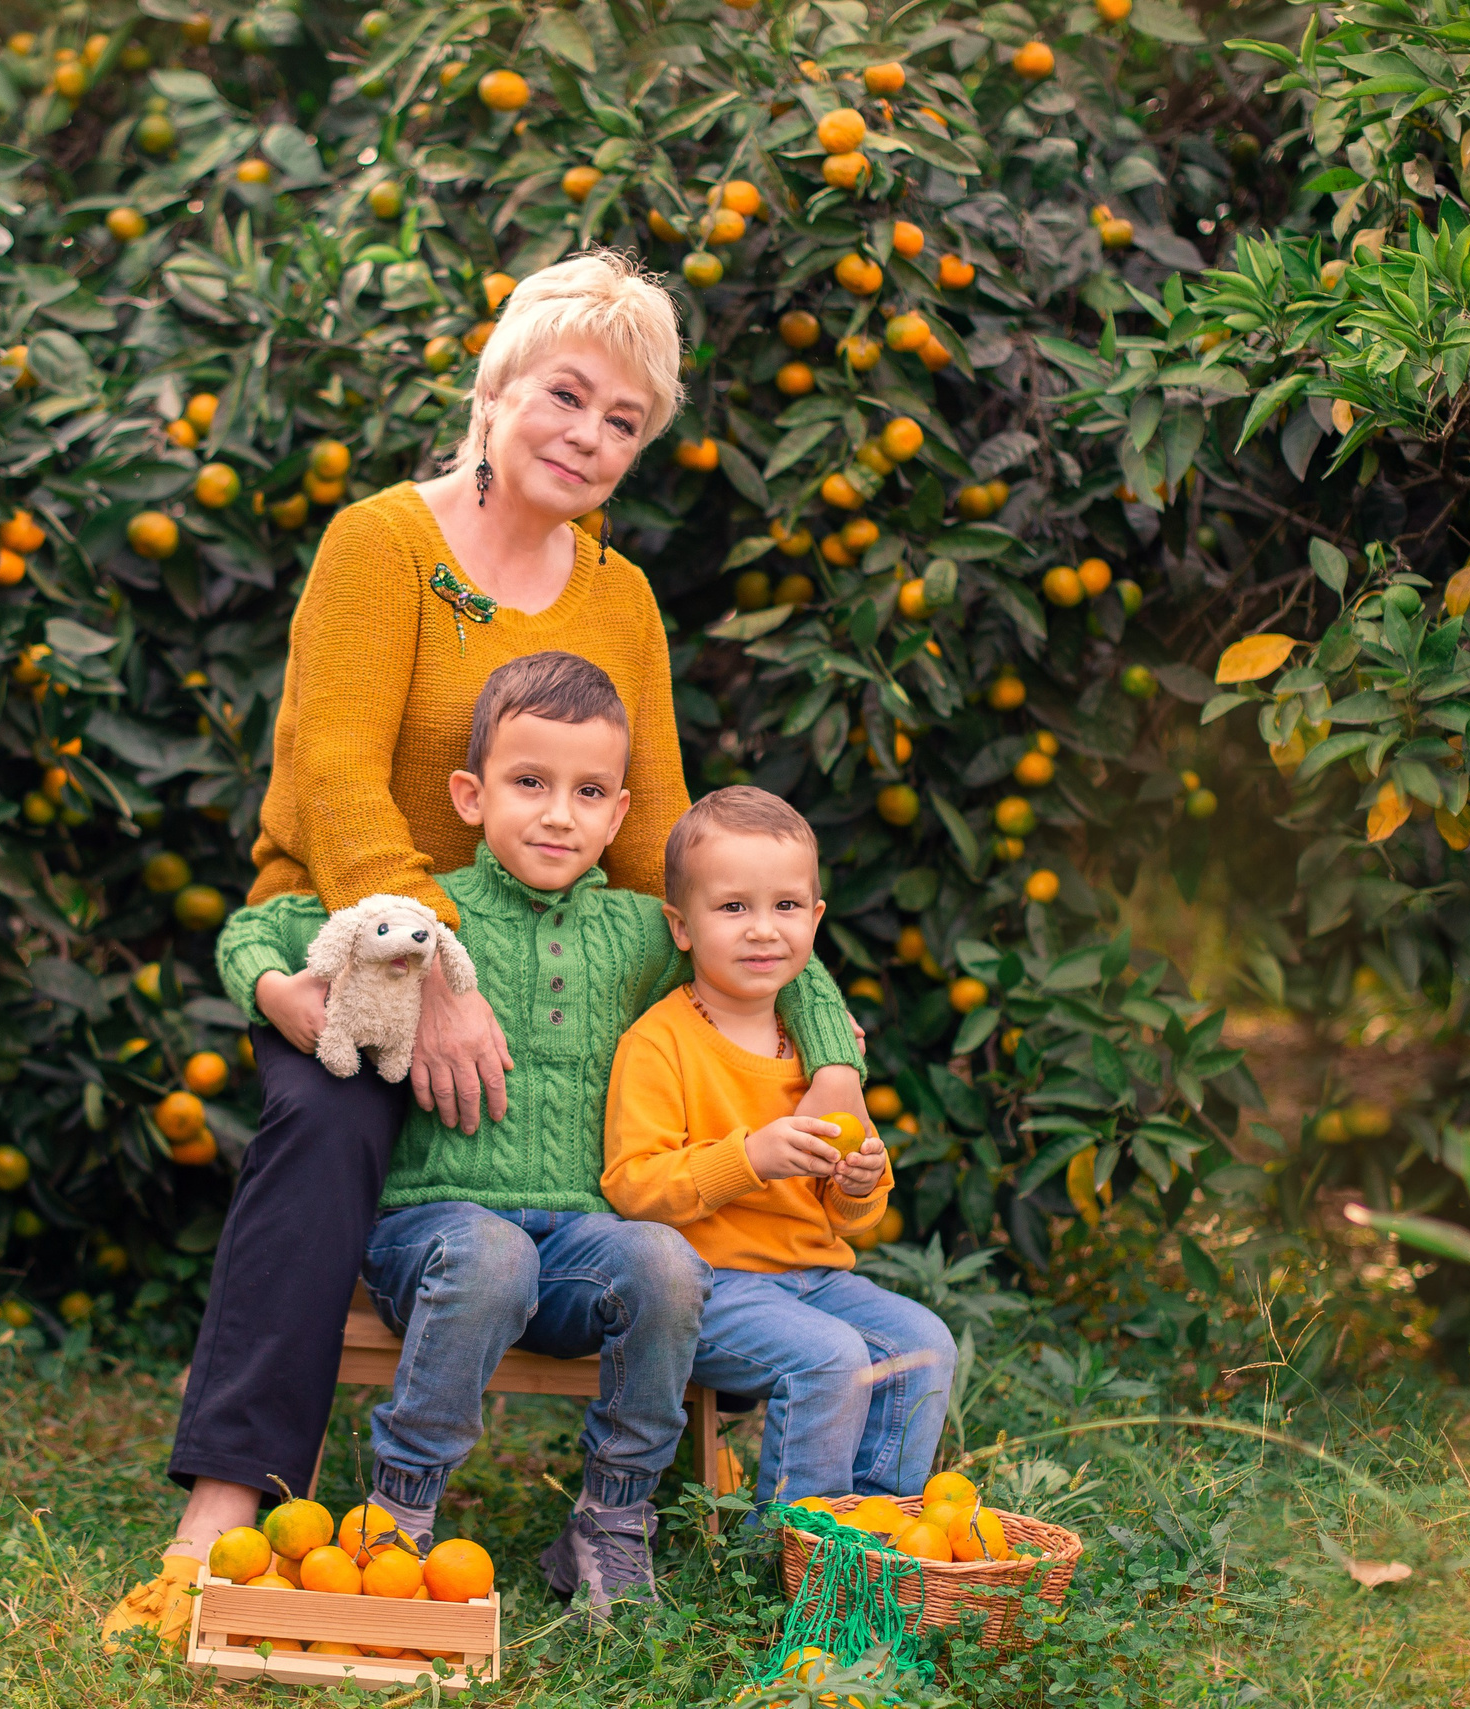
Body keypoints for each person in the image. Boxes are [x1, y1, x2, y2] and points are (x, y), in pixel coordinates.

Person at [99, 251, 873, 1647]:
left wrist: (821, 1037)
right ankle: (225, 1503)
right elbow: (334, 778)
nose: (587, 435)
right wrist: (435, 970)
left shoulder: (620, 599)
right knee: (329, 1120)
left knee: (676, 1126)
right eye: (566, 396)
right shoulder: (381, 543)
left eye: (624, 420)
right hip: (355, 943)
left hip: (554, 947)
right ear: (497, 388)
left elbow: (671, 852)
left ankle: (646, 1501)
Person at [208, 653, 867, 1617]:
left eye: (588, 792)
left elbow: (779, 960)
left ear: (619, 813)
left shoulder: (644, 932)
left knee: (664, 1259)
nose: (560, 814)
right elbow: (255, 929)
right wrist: (279, 995)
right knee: (492, 1251)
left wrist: (836, 1065)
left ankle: (612, 1517)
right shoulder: (427, 915)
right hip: (434, 1236)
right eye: (530, 783)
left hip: (578, 1250)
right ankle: (401, 1511)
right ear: (470, 796)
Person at [602, 787, 958, 1505]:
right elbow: (633, 1185)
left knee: (925, 1346)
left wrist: (859, 1183)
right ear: (681, 926)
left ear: (816, 919)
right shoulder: (660, 1042)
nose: (763, 930)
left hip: (815, 1277)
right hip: (709, 1288)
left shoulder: (822, 1054)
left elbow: (850, 1217)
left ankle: (876, 1525)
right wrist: (750, 1158)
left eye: (786, 906)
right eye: (733, 907)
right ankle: (798, 1545)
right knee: (830, 1357)